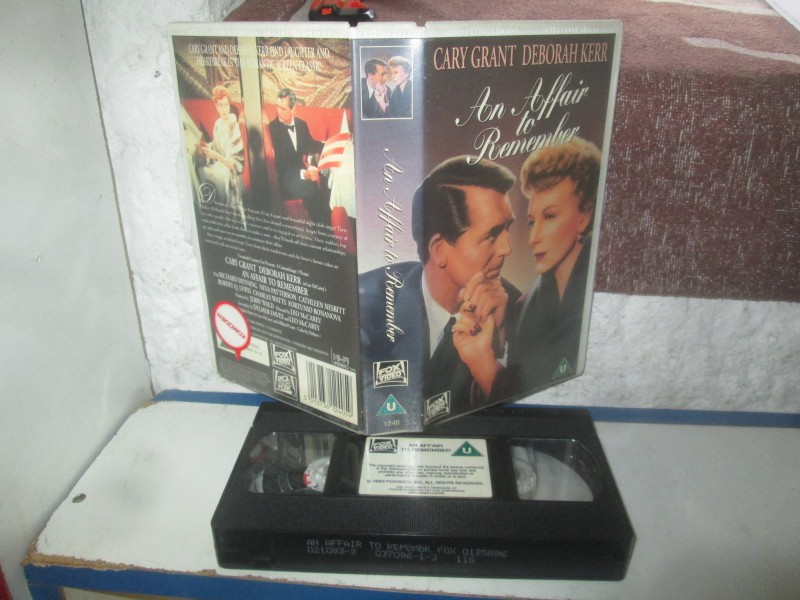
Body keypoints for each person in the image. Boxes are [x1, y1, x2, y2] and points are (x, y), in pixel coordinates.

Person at [359, 156, 518, 422]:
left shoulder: (519, 308)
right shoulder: (364, 305)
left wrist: (498, 343)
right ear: (440, 249)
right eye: (492, 235)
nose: (507, 248)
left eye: (507, 229)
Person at [454, 138, 601, 397]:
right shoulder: (524, 307)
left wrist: (486, 367)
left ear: (585, 217)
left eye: (550, 217)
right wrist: (497, 338)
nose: (534, 238)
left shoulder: (598, 296)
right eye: (532, 221)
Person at [267, 88, 329, 223]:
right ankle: (323, 229)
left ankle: (325, 226)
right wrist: (305, 174)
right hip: (286, 178)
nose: (279, 112)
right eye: (277, 107)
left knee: (326, 185)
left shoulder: (301, 125)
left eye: (283, 108)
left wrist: (328, 145)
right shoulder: (272, 128)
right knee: (315, 192)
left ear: (293, 109)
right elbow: (282, 164)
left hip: (302, 172)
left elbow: (310, 144)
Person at [197, 84, 246, 228]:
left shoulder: (233, 124)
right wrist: (207, 147)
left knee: (204, 174)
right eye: (220, 105)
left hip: (231, 175)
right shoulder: (217, 124)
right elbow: (217, 147)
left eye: (226, 104)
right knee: (201, 170)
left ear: (229, 105)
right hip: (221, 168)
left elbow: (237, 165)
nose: (224, 109)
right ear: (216, 107)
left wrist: (216, 156)